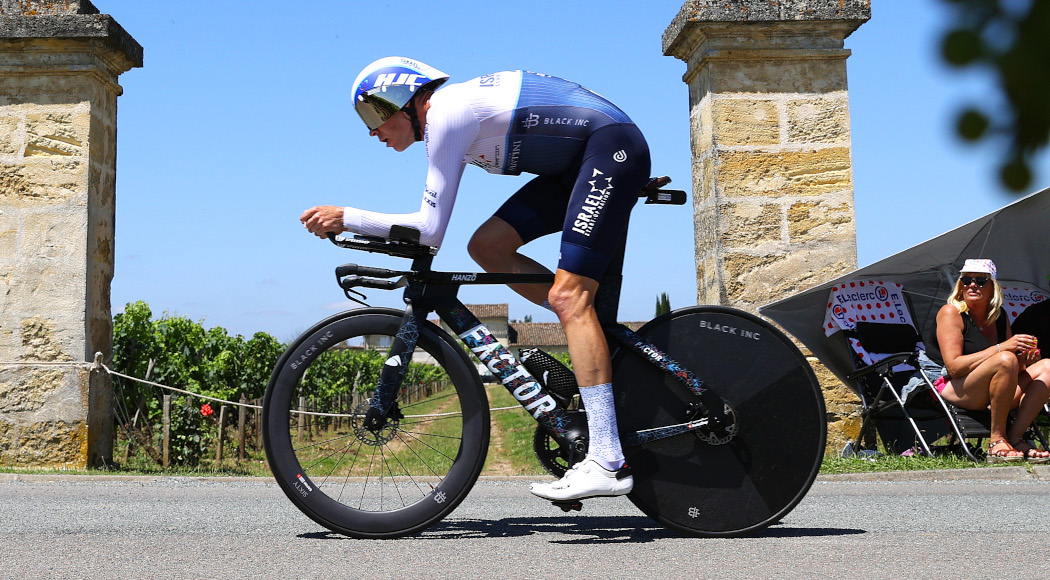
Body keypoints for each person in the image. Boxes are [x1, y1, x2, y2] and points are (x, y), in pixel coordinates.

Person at [299, 57, 651, 500]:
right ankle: (586, 326)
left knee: (569, 297)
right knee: (487, 247)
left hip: (609, 151)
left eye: (374, 115)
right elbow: (431, 233)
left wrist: (347, 216)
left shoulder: (447, 112)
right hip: (581, 164)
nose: (373, 131)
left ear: (404, 100)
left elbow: (429, 229)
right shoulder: (448, 119)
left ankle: (607, 460)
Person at [930, 259, 1050, 462]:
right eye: (966, 280)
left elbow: (1013, 366)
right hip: (960, 388)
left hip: (997, 389)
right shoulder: (951, 313)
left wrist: (1026, 361)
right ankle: (996, 440)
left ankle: (1016, 436)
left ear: (993, 287)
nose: (972, 285)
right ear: (960, 286)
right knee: (1005, 358)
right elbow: (954, 367)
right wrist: (1003, 348)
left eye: (980, 281)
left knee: (1047, 365)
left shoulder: (1000, 316)